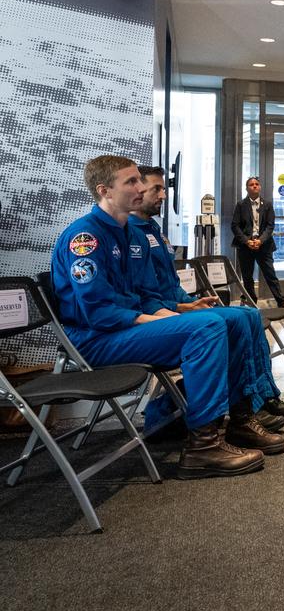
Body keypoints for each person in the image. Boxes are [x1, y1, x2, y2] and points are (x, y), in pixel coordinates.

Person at [51, 155, 271, 478]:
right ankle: (203, 447)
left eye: (140, 181)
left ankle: (239, 419)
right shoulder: (86, 238)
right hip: (96, 339)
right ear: (104, 191)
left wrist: (176, 311)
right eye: (131, 182)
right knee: (207, 327)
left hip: (125, 330)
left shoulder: (129, 233)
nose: (141, 188)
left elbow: (145, 294)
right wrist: (164, 321)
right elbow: (98, 312)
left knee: (233, 319)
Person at [130, 166, 284, 434]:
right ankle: (242, 410)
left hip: (173, 307)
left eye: (163, 188)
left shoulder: (152, 229)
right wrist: (177, 307)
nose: (164, 195)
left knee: (250, 314)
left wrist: (187, 302)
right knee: (235, 321)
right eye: (157, 189)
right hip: (160, 315)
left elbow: (168, 283)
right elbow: (143, 293)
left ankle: (264, 397)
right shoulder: (131, 234)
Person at [230, 176, 284, 310]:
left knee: (270, 274)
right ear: (247, 188)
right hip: (245, 246)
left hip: (264, 246)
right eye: (251, 184)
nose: (254, 186)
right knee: (247, 277)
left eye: (256, 184)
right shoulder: (241, 205)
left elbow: (270, 226)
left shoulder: (268, 205)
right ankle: (251, 302)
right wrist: (247, 241)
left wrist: (260, 240)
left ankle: (281, 301)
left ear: (259, 187)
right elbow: (235, 226)